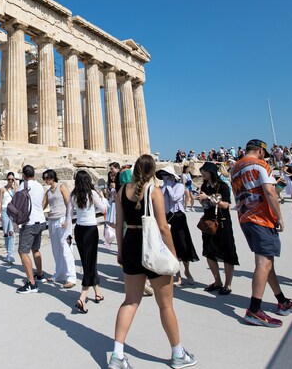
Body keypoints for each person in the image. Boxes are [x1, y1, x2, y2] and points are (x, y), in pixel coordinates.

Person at [108, 155, 196, 369]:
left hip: (130, 245)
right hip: (152, 246)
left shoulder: (121, 191)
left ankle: (117, 355)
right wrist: (173, 256)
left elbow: (118, 225)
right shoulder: (154, 191)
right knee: (165, 305)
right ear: (151, 171)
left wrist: (120, 250)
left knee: (130, 301)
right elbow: (164, 228)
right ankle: (177, 354)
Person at [230, 139, 292, 327]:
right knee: (263, 262)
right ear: (260, 151)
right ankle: (254, 310)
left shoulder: (234, 169)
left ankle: (282, 301)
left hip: (245, 217)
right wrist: (279, 217)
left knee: (267, 262)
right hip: (261, 217)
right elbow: (269, 192)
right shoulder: (260, 164)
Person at [68, 169, 107, 313]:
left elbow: (68, 216)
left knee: (87, 262)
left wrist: (68, 234)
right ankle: (82, 297)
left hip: (78, 230)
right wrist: (102, 198)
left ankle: (97, 291)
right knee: (90, 261)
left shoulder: (73, 195)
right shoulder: (93, 194)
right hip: (91, 230)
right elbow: (103, 208)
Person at [197, 162, 238, 294]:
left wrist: (208, 197)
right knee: (209, 252)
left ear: (211, 172)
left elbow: (226, 205)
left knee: (227, 253)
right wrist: (202, 200)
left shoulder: (223, 186)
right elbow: (206, 205)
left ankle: (228, 284)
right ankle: (217, 281)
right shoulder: (204, 185)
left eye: (204, 171)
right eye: (202, 171)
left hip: (222, 222)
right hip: (209, 222)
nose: (202, 173)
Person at [158, 165, 198, 285]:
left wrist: (168, 187)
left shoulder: (180, 186)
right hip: (167, 217)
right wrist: (163, 189)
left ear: (172, 176)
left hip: (178, 217)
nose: (164, 178)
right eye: (163, 176)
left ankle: (187, 271)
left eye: (166, 175)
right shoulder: (163, 188)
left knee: (183, 245)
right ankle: (178, 275)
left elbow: (175, 198)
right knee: (171, 247)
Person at [42, 169, 76, 288]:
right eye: (45, 178)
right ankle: (60, 274)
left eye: (48, 178)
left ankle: (71, 277)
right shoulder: (47, 192)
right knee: (56, 249)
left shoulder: (62, 187)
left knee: (66, 248)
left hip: (62, 220)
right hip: (52, 221)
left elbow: (69, 204)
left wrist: (68, 220)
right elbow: (42, 206)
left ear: (53, 177)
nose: (46, 180)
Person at [16, 165, 47, 294]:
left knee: (23, 251)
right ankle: (39, 275)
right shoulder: (40, 186)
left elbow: (18, 204)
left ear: (24, 175)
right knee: (35, 249)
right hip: (41, 220)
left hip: (30, 222)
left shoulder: (23, 185)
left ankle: (31, 284)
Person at [0, 172, 17, 263]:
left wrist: (15, 184)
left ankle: (10, 254)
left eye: (12, 179)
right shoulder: (2, 189)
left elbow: (18, 197)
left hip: (12, 211)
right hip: (5, 211)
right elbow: (0, 202)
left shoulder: (15, 189)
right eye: (9, 179)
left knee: (11, 232)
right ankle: (8, 253)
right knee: (6, 233)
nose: (10, 181)